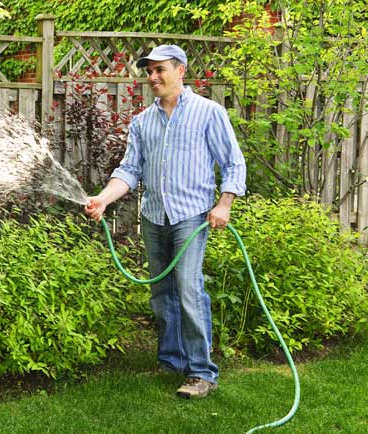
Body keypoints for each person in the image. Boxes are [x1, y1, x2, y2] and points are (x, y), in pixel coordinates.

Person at [84, 44, 246, 398]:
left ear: (181, 70)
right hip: (154, 216)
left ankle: (201, 372)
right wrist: (104, 199)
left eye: (160, 70)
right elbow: (129, 171)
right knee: (162, 292)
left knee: (188, 288)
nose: (153, 77)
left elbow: (233, 163)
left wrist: (224, 204)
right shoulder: (143, 122)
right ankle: (171, 361)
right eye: (149, 72)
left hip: (191, 216)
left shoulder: (208, 113)